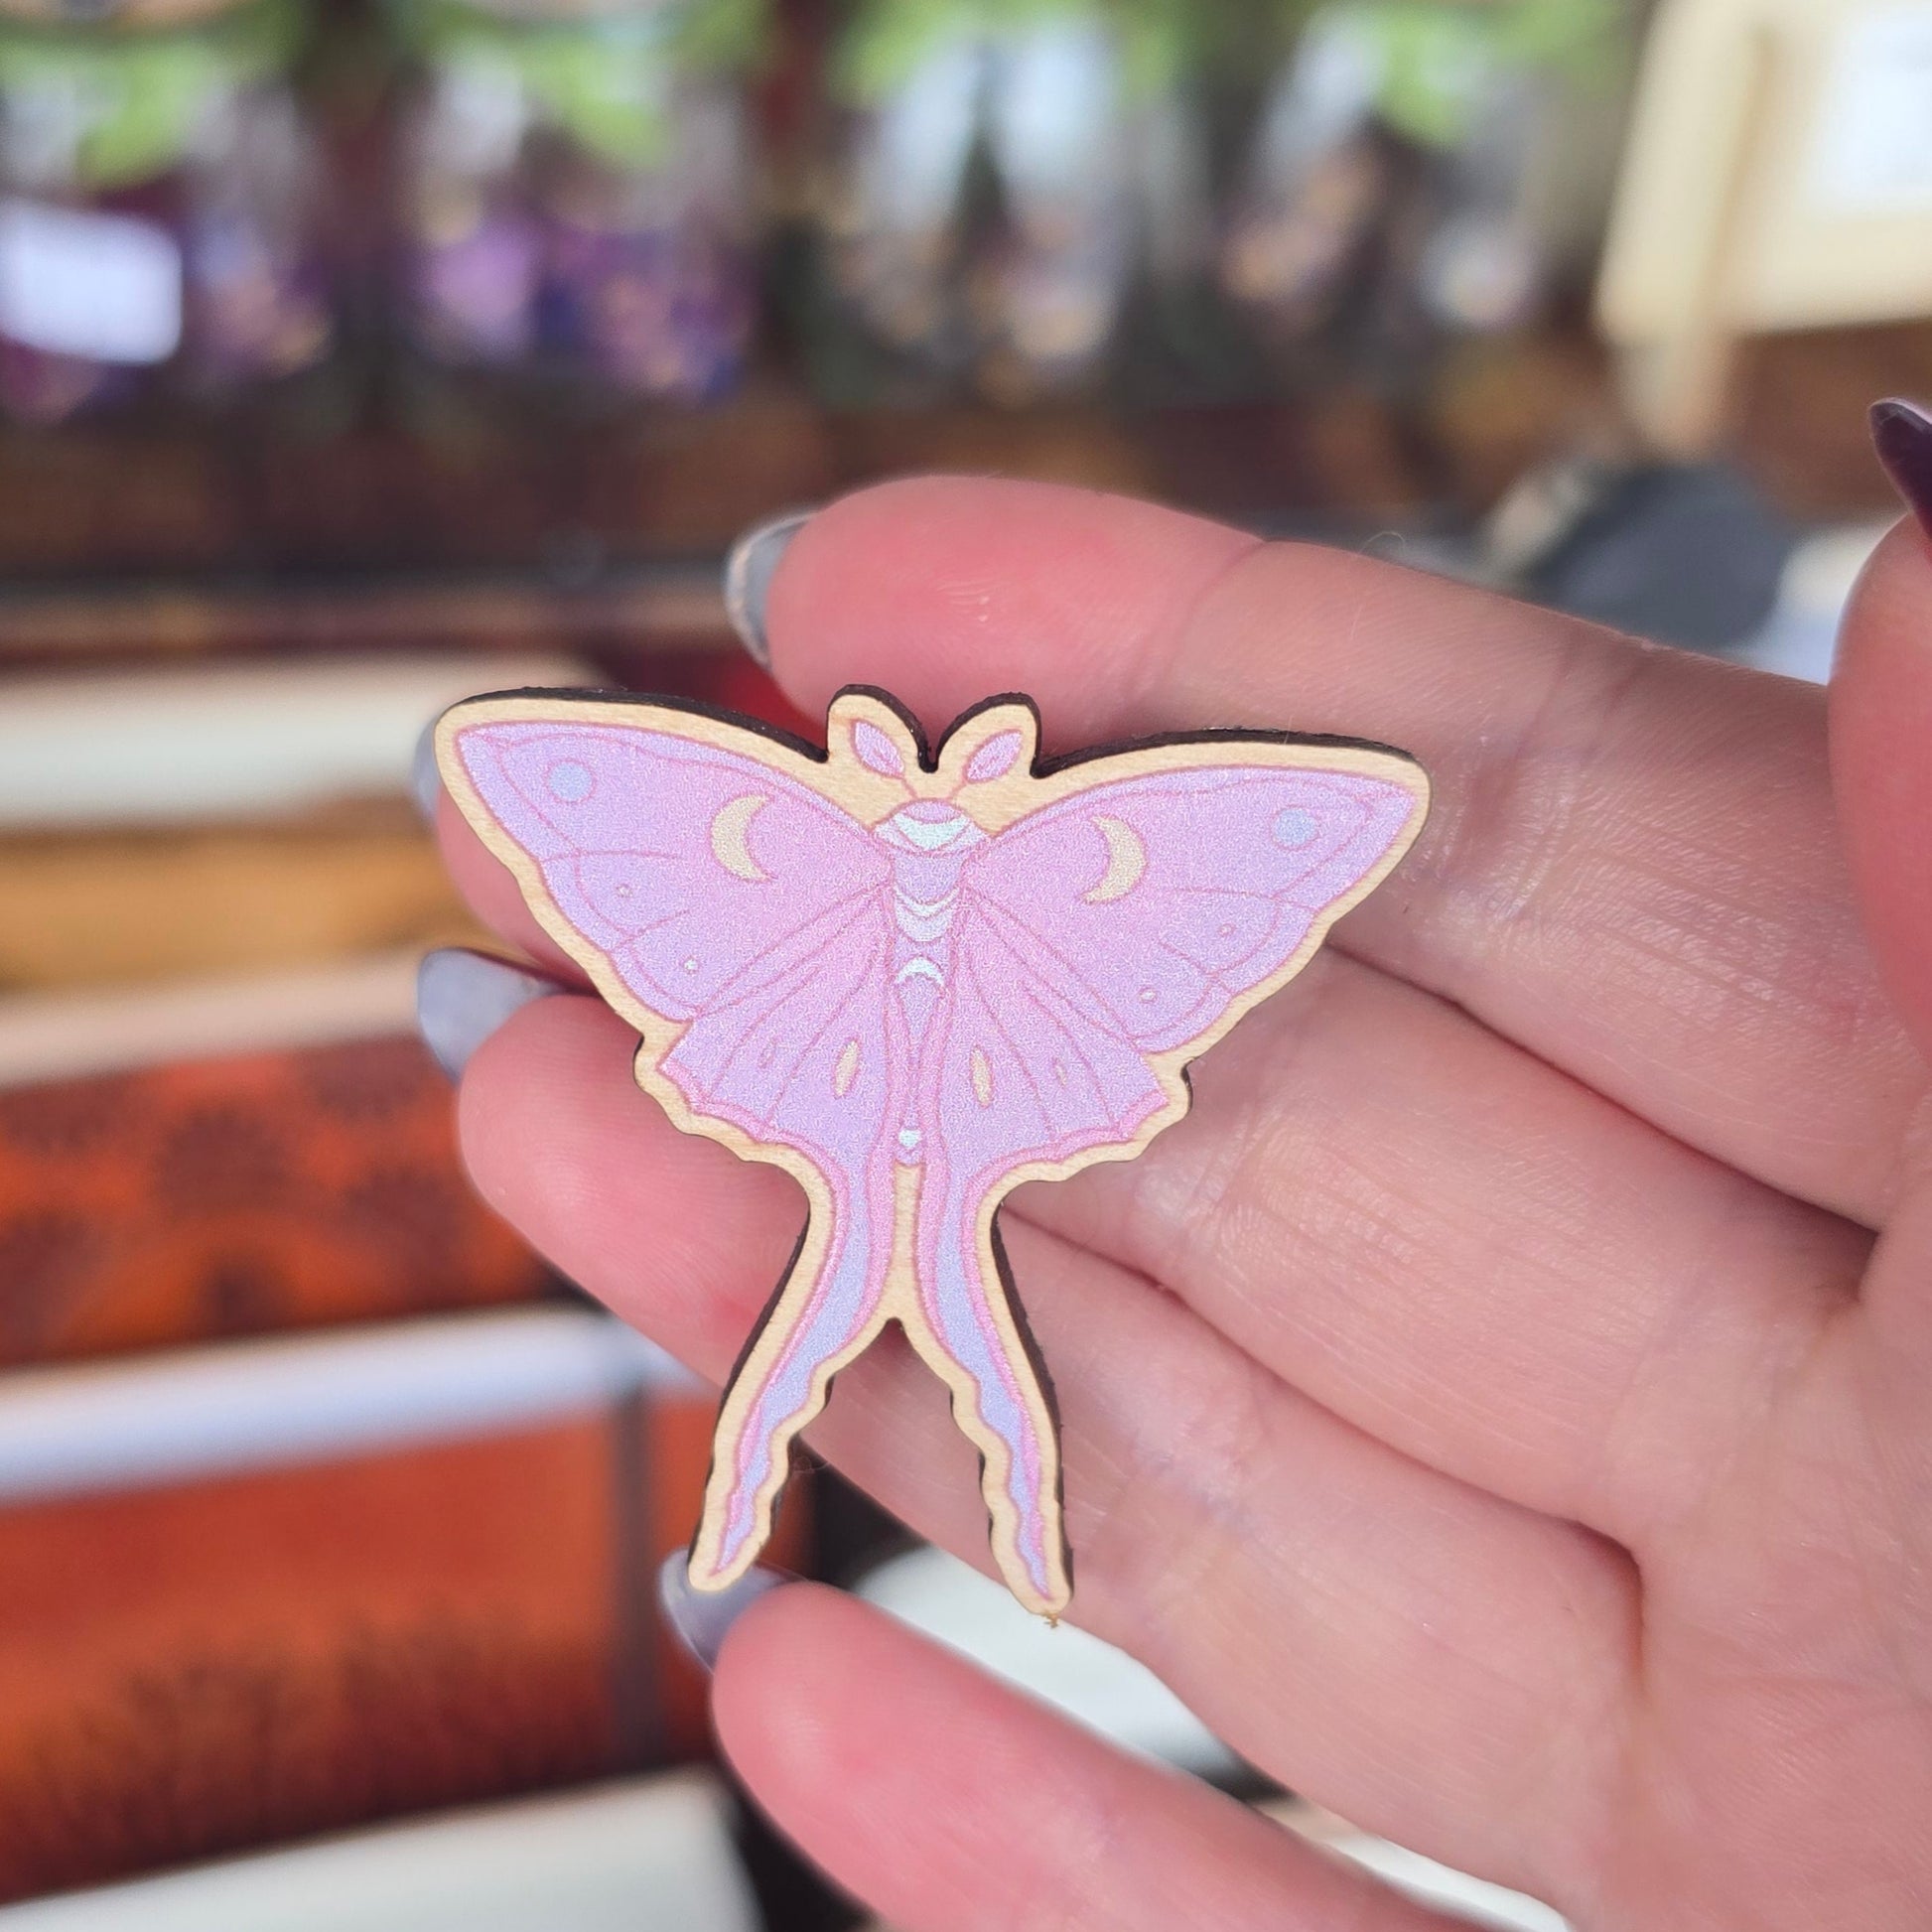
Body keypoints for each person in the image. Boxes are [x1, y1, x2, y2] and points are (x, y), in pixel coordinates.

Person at [415, 399, 1932, 1929]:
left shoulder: (1012, 821)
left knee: (866, 1294)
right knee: (920, 1301)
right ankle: (986, 1523)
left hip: (894, 1061)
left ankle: (828, 1513)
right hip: (899, 1055)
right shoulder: (1046, 830)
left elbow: (1316, 822)